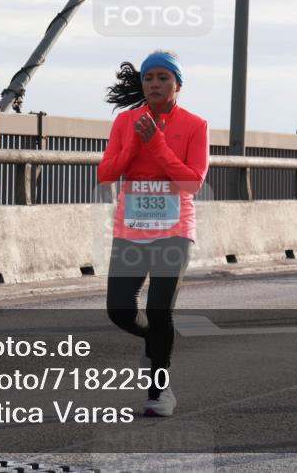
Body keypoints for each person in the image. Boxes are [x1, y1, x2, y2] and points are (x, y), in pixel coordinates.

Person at [97, 51, 209, 418]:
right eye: (149, 78)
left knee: (159, 308)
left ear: (178, 84)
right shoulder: (126, 122)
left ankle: (159, 392)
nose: (155, 84)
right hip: (132, 227)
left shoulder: (195, 125)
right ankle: (155, 341)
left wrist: (157, 145)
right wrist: (135, 143)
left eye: (163, 78)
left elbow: (191, 182)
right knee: (119, 310)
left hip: (175, 228)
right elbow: (107, 174)